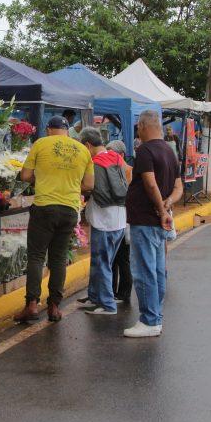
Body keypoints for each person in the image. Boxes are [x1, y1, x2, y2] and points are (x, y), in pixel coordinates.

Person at [15, 115, 94, 323]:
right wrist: (69, 184)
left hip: (44, 207)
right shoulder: (83, 150)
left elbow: (24, 176)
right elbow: (89, 185)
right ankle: (54, 306)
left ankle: (32, 304)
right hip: (69, 209)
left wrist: (42, 178)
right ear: (67, 131)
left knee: (36, 256)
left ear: (49, 129)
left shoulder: (41, 144)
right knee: (58, 259)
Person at [123, 110, 183, 338]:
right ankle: (155, 318)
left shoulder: (145, 150)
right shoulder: (169, 151)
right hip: (158, 220)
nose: (138, 131)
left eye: (138, 126)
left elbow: (149, 183)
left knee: (144, 270)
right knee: (157, 270)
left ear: (145, 126)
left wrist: (160, 208)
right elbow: (179, 187)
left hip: (146, 220)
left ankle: (149, 320)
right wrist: (168, 204)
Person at [77, 128, 128, 315]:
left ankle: (107, 304)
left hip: (103, 221)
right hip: (119, 219)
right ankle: (95, 296)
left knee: (102, 263)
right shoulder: (115, 157)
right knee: (102, 262)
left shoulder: (95, 163)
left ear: (88, 145)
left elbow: (91, 188)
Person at [107, 140, 134, 304]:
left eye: (113, 154)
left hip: (124, 220)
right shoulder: (112, 171)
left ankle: (124, 293)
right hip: (113, 219)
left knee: (122, 258)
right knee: (113, 258)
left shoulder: (129, 172)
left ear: (122, 155)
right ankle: (111, 291)